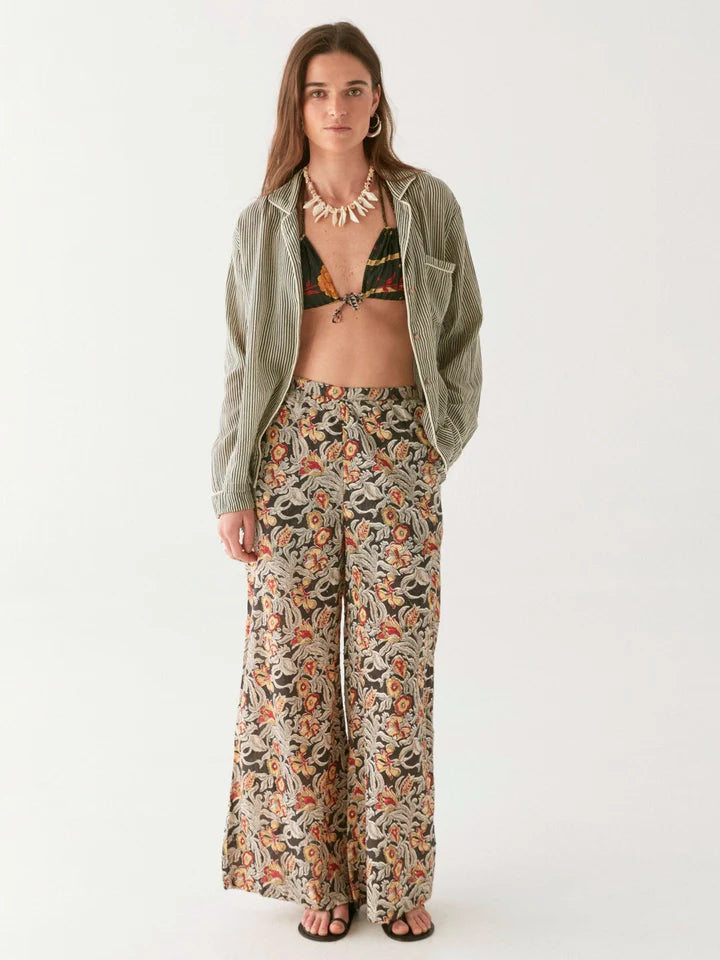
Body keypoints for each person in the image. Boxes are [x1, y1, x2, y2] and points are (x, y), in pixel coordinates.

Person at [210, 21, 484, 943]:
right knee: (290, 672)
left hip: (397, 449)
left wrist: (436, 443)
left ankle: (397, 879)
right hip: (291, 452)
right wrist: (233, 485)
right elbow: (242, 364)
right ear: (298, 107)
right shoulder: (263, 222)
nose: (336, 106)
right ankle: (318, 878)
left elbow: (463, 332)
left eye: (353, 89)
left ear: (377, 102)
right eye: (319, 92)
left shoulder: (425, 203)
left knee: (392, 669)